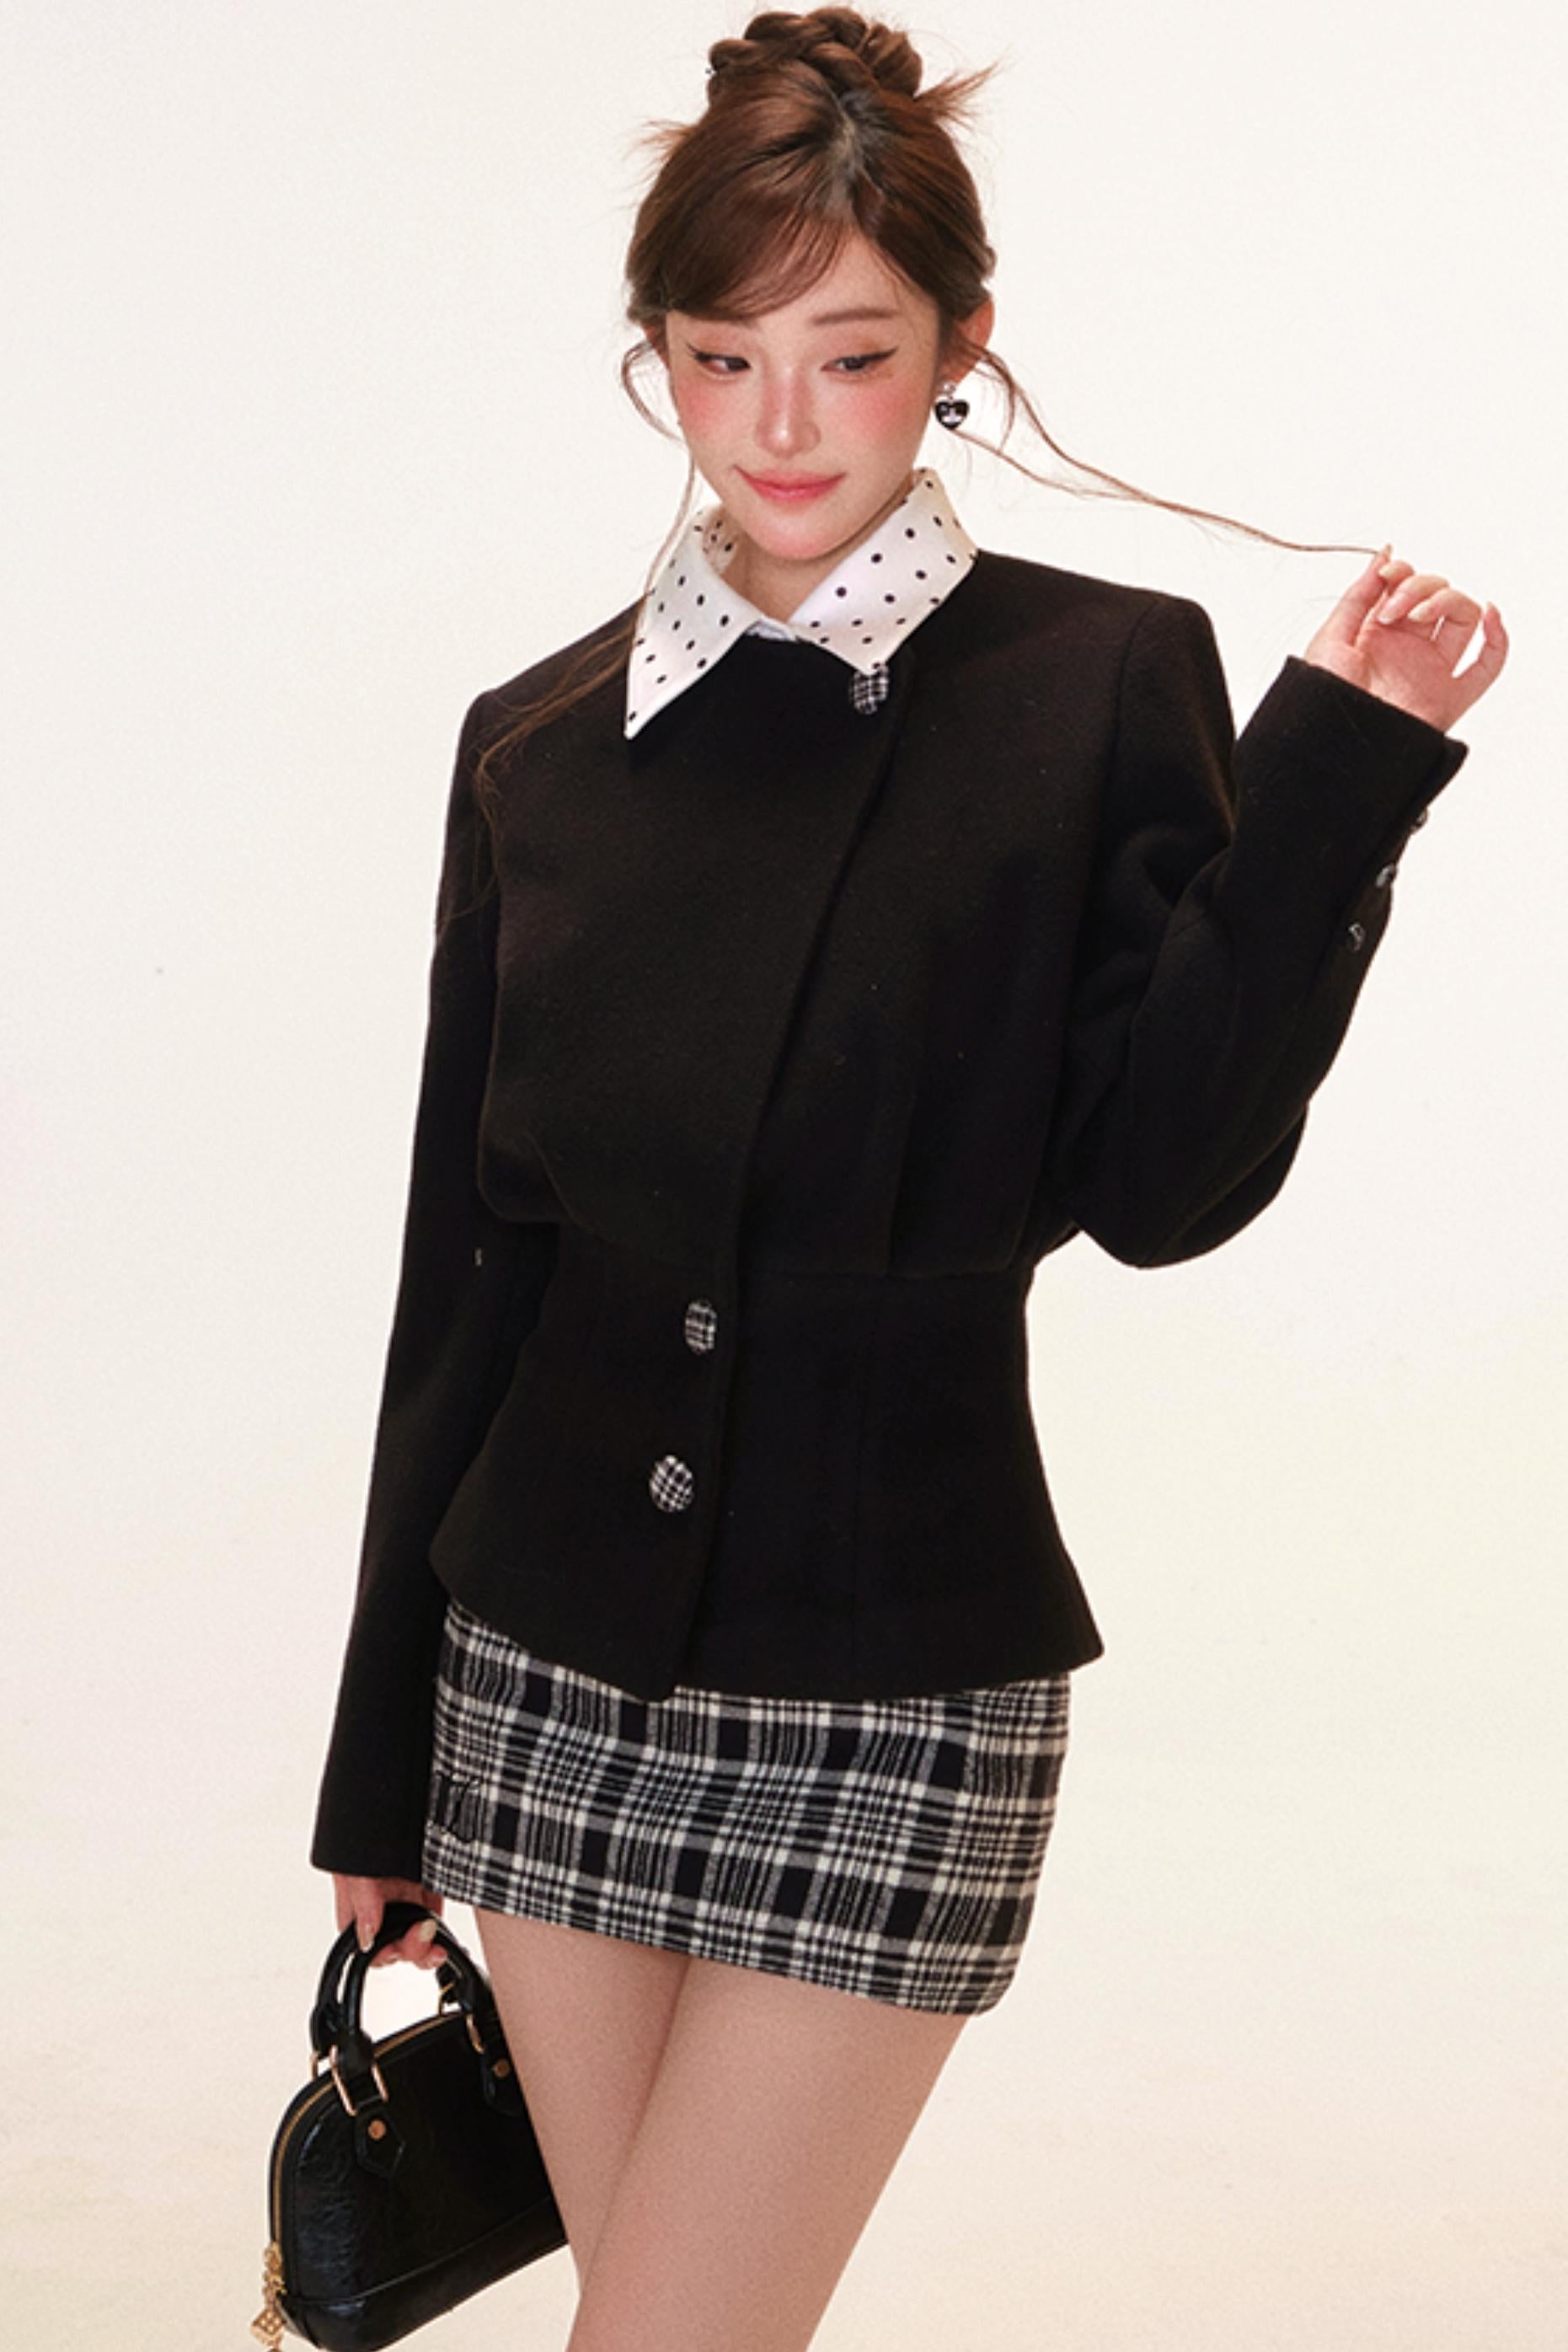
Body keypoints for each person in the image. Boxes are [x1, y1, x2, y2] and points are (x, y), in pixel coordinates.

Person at [306, 10, 1507, 2348]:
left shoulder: (1098, 684)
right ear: (656, 356)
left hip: (896, 1691)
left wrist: (1333, 790)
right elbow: (468, 1275)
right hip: (537, 1674)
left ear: (962, 349)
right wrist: (378, 1770)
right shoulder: (538, 746)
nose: (781, 424)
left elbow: (1160, 1186)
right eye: (720, 355)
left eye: (850, 356)